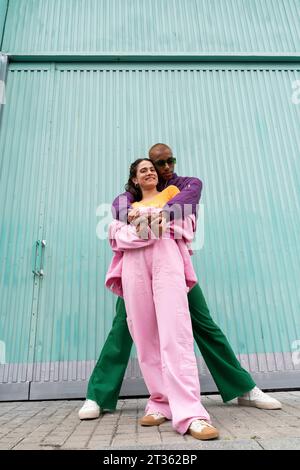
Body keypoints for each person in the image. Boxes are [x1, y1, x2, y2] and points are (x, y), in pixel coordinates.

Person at [79, 143, 281, 422]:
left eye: (168, 161)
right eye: (157, 164)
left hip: (174, 269)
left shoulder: (184, 185)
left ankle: (243, 388)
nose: (166, 168)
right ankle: (98, 395)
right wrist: (136, 220)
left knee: (203, 323)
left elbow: (184, 214)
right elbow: (119, 210)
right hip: (138, 270)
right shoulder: (132, 195)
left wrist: (155, 219)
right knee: (123, 328)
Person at [103, 158, 219, 440]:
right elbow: (116, 237)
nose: (149, 172)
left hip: (167, 263)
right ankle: (160, 401)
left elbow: (186, 227)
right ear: (134, 180)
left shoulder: (175, 198)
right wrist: (150, 228)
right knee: (144, 336)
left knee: (175, 333)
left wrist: (153, 225)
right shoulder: (126, 208)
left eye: (152, 169)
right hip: (134, 269)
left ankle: (191, 413)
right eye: (143, 170)